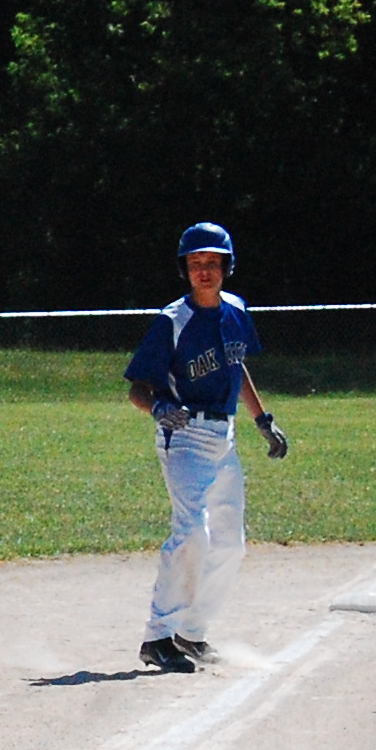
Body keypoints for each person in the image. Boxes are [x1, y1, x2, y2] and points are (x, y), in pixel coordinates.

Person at [124, 221, 290, 673]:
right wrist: (158, 407)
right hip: (184, 437)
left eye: (212, 262)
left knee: (231, 545)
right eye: (195, 262)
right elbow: (137, 389)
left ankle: (191, 633)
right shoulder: (172, 321)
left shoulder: (235, 309)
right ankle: (157, 636)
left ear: (226, 267)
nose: (204, 270)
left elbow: (237, 368)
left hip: (224, 438)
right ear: (185, 269)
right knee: (193, 534)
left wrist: (262, 420)